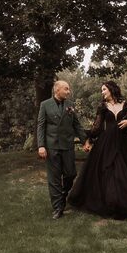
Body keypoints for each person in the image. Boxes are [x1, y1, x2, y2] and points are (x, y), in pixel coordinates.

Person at [68, 80, 127, 219]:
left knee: (126, 170)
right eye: (102, 90)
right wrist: (87, 138)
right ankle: (111, 202)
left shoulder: (125, 104)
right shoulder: (103, 107)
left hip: (125, 142)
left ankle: (126, 202)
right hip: (107, 142)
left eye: (104, 89)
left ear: (111, 89)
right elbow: (97, 127)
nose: (102, 92)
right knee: (109, 170)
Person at [37, 80, 88, 219]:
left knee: (71, 174)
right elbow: (41, 126)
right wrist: (41, 145)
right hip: (51, 146)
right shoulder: (45, 105)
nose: (68, 91)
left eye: (68, 89)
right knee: (54, 178)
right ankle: (58, 207)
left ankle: (63, 195)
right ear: (57, 90)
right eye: (66, 89)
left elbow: (76, 125)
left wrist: (85, 141)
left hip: (67, 146)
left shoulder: (70, 105)